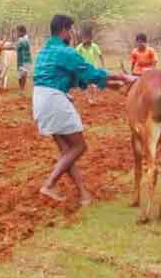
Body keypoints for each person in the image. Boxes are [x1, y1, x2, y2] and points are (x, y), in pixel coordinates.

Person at [32, 14, 134, 205]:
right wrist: (121, 77)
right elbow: (89, 72)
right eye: (70, 29)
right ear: (63, 29)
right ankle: (49, 184)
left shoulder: (46, 50)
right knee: (79, 146)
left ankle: (84, 195)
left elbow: (77, 78)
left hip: (40, 99)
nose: (72, 33)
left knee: (67, 153)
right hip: (54, 99)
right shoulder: (65, 51)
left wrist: (109, 83)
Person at [75, 26, 105, 104]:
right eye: (83, 37)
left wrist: (102, 65)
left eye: (87, 37)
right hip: (83, 68)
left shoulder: (94, 46)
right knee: (85, 85)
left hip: (93, 67)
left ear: (90, 38)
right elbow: (75, 57)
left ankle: (94, 99)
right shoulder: (79, 47)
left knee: (94, 85)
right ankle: (89, 99)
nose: (85, 39)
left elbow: (100, 55)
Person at [16, 25, 32, 93]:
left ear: (22, 32)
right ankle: (21, 89)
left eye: (18, 32)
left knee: (22, 75)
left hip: (24, 60)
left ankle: (22, 89)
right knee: (21, 75)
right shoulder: (25, 39)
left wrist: (4, 48)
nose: (17, 34)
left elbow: (16, 47)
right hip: (22, 60)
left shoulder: (23, 40)